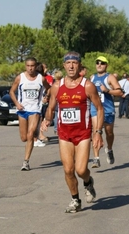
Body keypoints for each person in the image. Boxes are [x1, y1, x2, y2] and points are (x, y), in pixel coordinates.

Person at [41, 51, 104, 213]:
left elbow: (99, 108)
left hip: (83, 134)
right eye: (68, 63)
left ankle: (88, 182)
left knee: (81, 170)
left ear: (79, 65)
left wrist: (97, 132)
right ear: (64, 65)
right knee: (68, 170)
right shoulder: (57, 86)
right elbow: (52, 107)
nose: (71, 66)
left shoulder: (87, 85)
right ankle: (75, 199)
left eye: (74, 63)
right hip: (64, 134)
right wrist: (47, 119)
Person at [9, 57, 51, 171]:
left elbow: (49, 89)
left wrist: (46, 97)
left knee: (30, 134)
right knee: (24, 138)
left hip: (35, 109)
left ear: (35, 66)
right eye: (28, 66)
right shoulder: (20, 77)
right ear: (25, 66)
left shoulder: (40, 78)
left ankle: (26, 162)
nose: (30, 68)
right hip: (22, 110)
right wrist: (17, 103)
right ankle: (33, 136)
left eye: (32, 66)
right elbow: (12, 91)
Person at [90, 55, 123, 168]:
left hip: (108, 110)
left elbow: (120, 92)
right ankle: (96, 158)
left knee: (109, 133)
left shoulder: (110, 78)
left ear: (106, 65)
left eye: (102, 63)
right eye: (97, 62)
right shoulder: (92, 78)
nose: (99, 64)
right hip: (95, 109)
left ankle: (109, 149)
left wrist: (107, 90)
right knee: (96, 131)